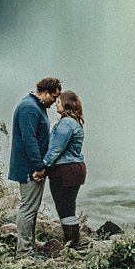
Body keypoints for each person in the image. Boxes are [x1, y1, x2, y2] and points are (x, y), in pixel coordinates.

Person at [8, 76, 61, 256]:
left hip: (33, 167)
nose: (55, 102)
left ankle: (29, 246)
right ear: (45, 92)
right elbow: (29, 140)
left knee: (32, 208)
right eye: (54, 97)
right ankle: (24, 251)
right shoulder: (29, 108)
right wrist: (38, 166)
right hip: (29, 169)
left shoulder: (35, 106)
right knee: (28, 209)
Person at [43, 90, 87, 249]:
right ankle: (73, 243)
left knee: (65, 208)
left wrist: (44, 166)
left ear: (66, 104)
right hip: (73, 169)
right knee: (67, 207)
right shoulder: (74, 122)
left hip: (65, 170)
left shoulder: (66, 123)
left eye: (59, 101)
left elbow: (56, 148)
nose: (56, 104)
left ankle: (72, 244)